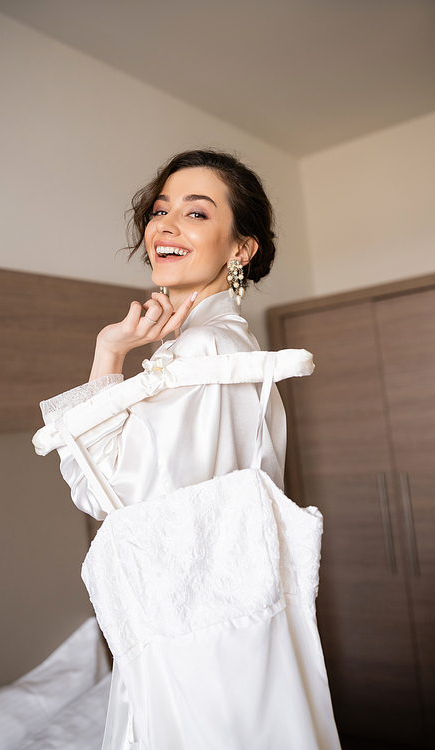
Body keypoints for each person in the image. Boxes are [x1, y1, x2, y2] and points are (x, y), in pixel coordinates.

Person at [33, 150, 341, 749]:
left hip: (199, 636)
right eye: (160, 209)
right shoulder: (218, 344)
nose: (165, 225)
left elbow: (114, 493)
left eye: (196, 212)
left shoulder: (207, 351)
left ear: (240, 249)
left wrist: (106, 356)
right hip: (223, 626)